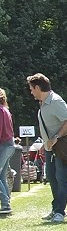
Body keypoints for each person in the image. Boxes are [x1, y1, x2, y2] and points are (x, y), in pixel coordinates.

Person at [28, 73, 67, 223]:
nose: (31, 92)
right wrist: (45, 144)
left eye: (31, 89)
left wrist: (56, 138)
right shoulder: (43, 103)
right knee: (52, 177)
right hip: (50, 149)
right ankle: (56, 208)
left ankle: (60, 212)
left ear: (38, 87)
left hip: (60, 148)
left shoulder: (55, 101)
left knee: (61, 179)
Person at [0, 88, 14, 216]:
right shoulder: (5, 110)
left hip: (3, 145)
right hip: (9, 144)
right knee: (1, 176)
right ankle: (6, 204)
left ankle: (5, 204)